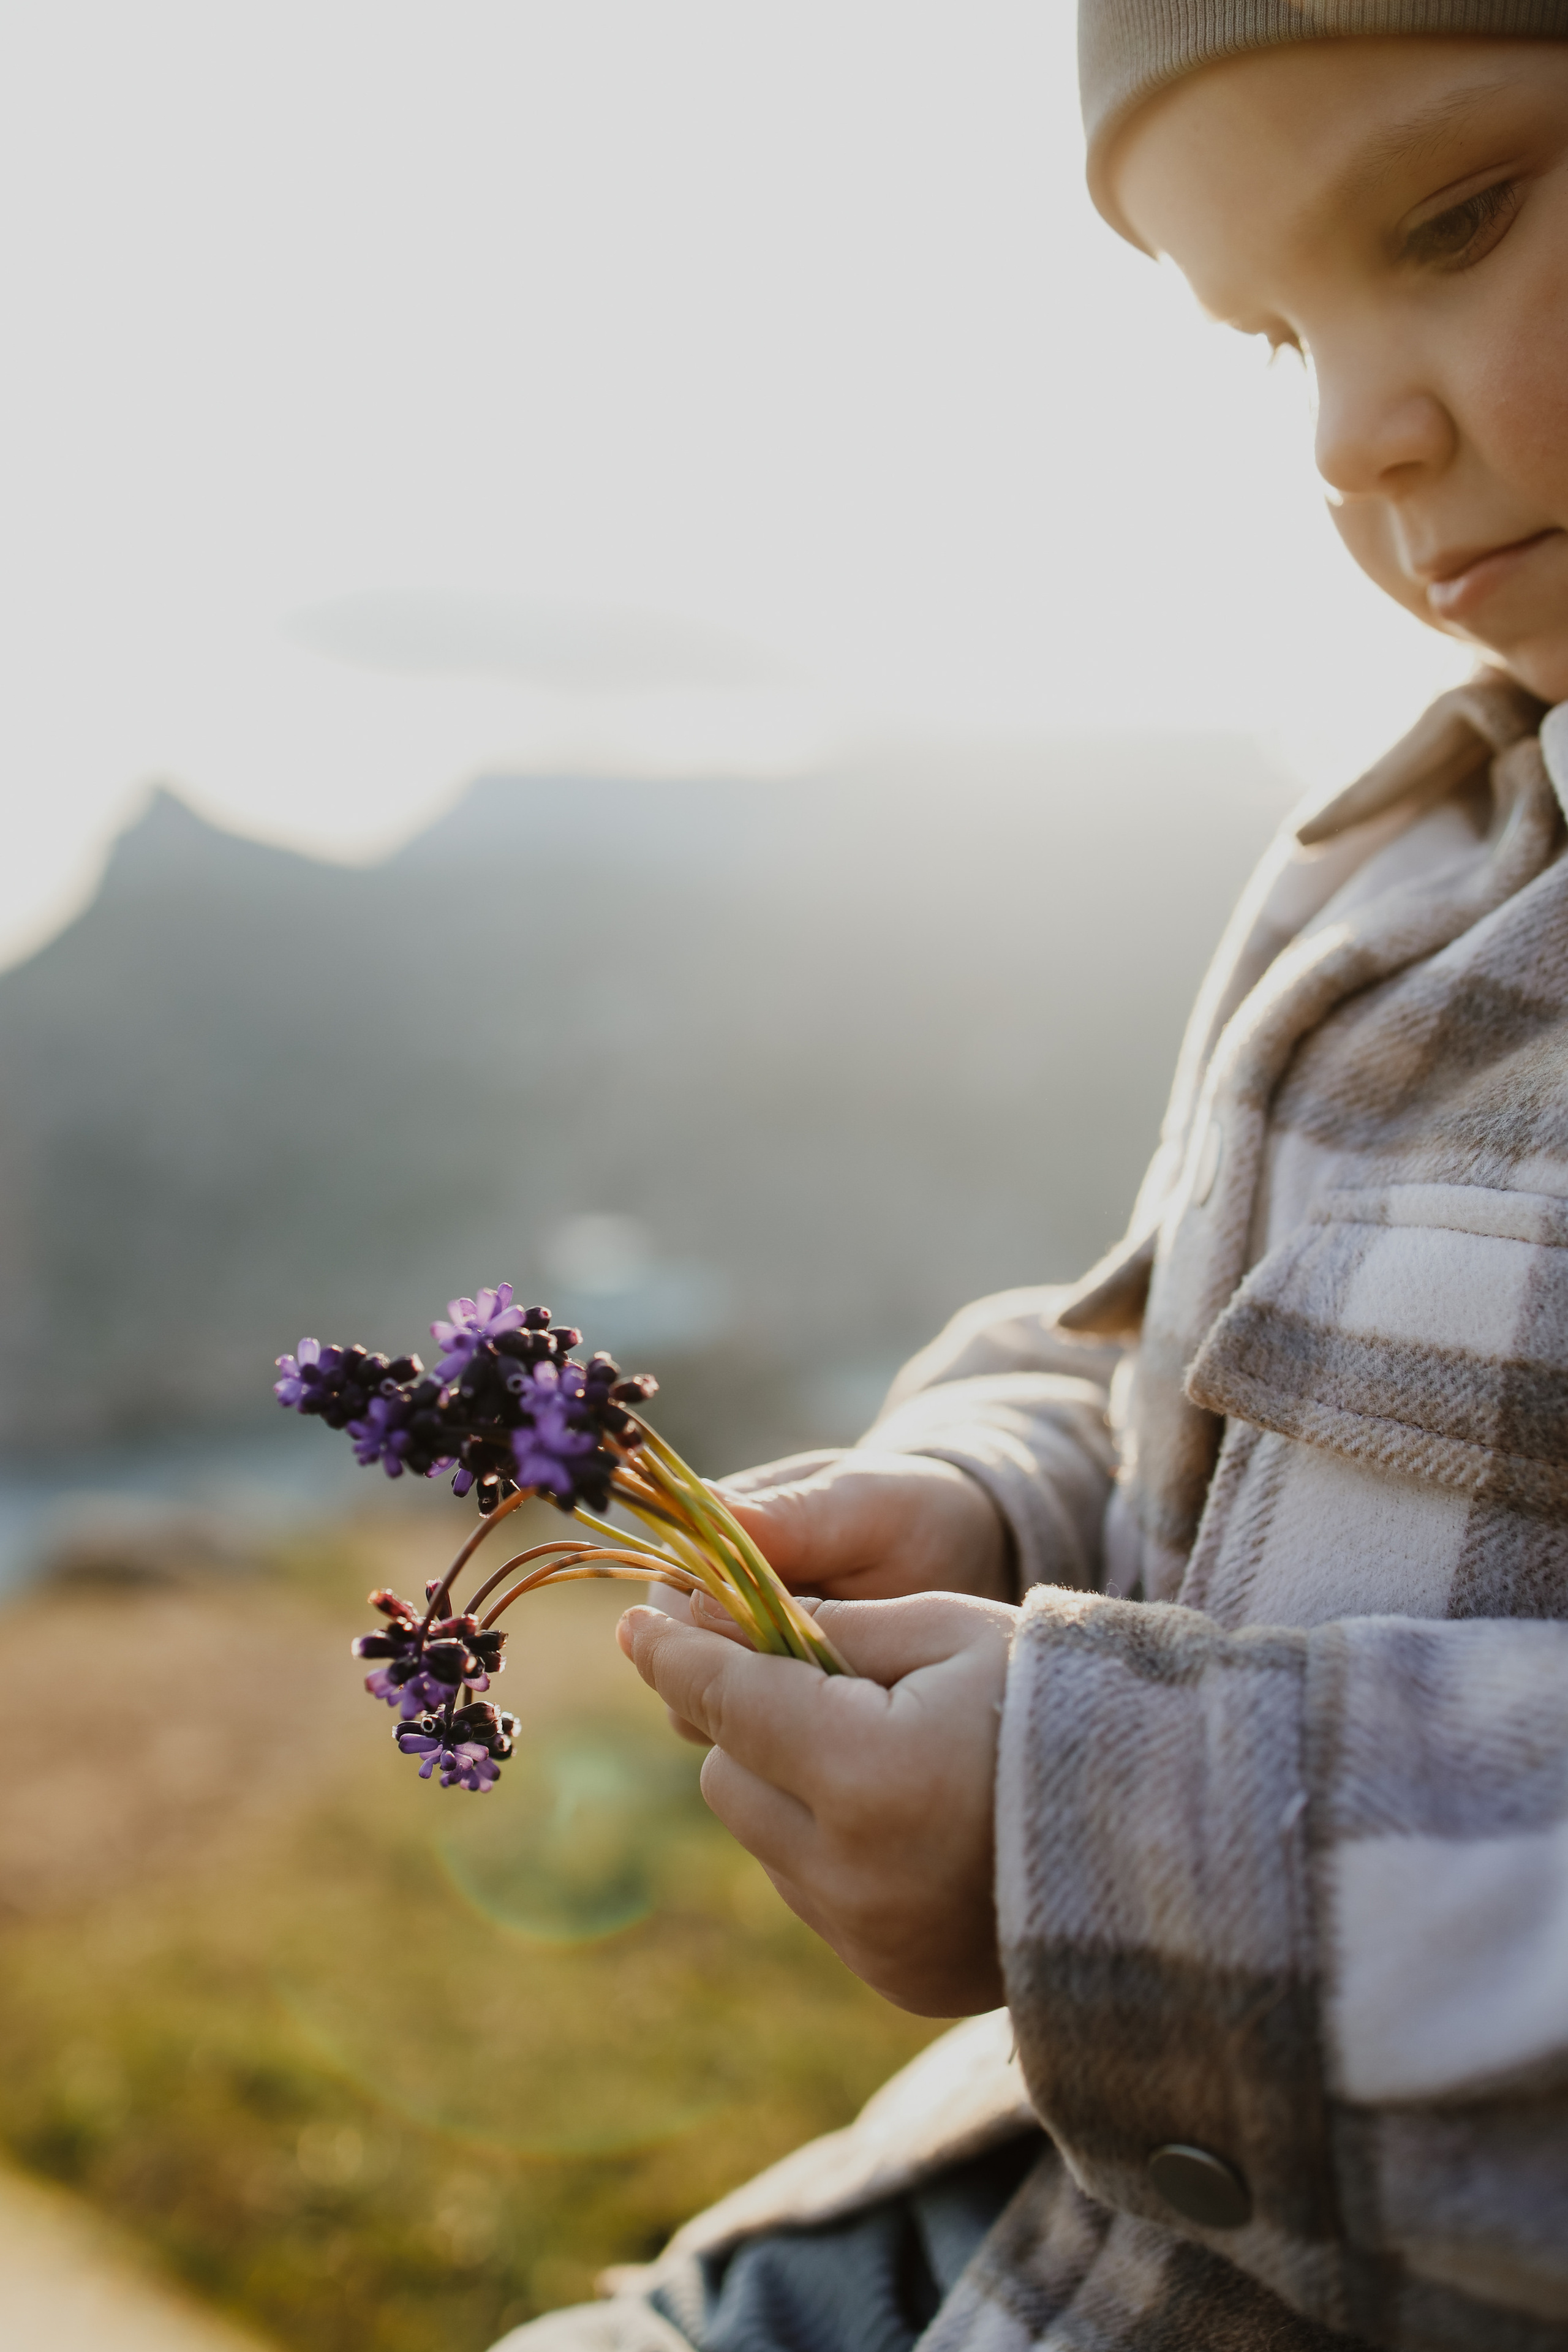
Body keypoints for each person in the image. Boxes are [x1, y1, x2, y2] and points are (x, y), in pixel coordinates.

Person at [499, 9, 1568, 2346]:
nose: (1348, 432)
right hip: (977, 2246)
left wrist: (1101, 1843)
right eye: (1277, 333)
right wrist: (989, 1502)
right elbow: (1169, 1377)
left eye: (1462, 216)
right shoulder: (1388, 871)